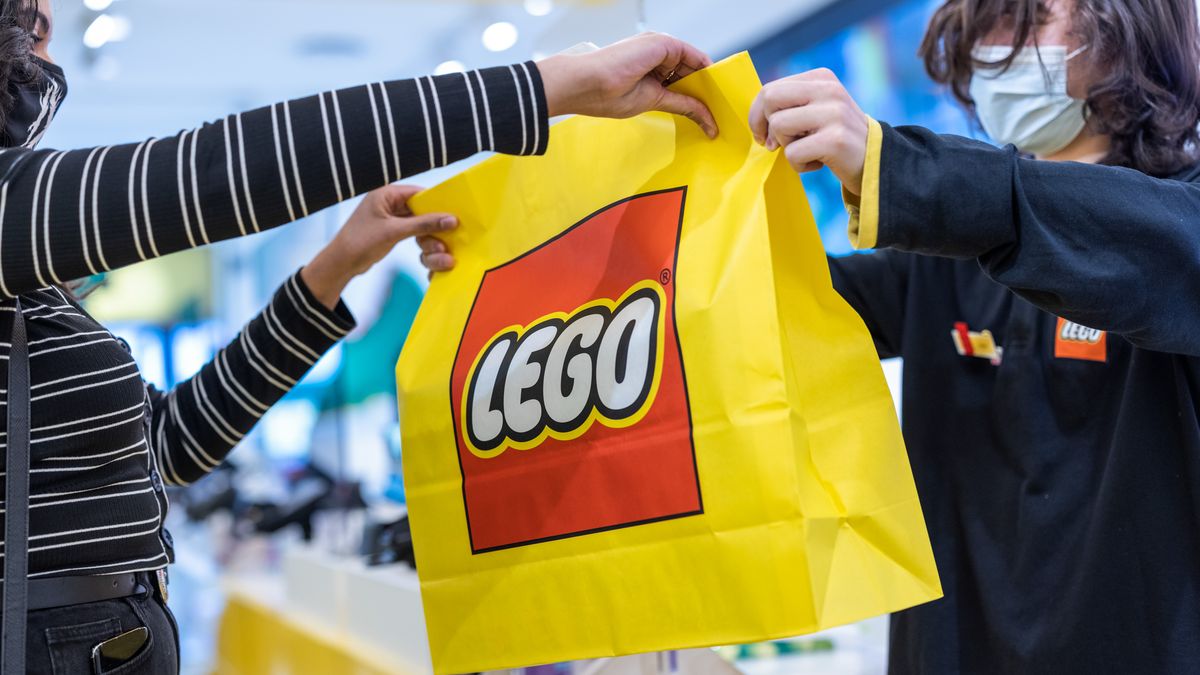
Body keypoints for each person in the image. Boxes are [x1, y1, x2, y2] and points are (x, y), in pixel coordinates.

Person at [422, 0, 1200, 672]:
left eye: (1031, 15)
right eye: (985, 23)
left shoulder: (1173, 222)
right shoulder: (949, 260)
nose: (999, 41)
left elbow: (1141, 245)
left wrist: (902, 170)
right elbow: (747, 301)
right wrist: (538, 263)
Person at [0, 0, 720, 670]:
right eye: (27, 18)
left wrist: (338, 265)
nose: (46, 36)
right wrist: (547, 88)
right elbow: (216, 172)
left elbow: (168, 444)